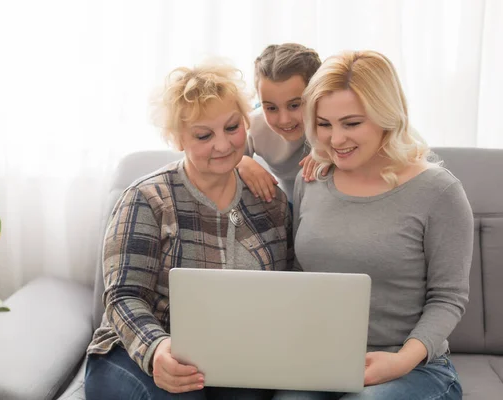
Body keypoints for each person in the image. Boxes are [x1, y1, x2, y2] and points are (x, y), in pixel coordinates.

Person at [84, 62, 293, 400]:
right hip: (134, 352)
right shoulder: (147, 199)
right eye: (203, 135)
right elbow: (123, 297)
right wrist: (158, 350)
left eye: (232, 127)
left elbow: (289, 291)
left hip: (231, 356)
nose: (223, 145)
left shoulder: (270, 201)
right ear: (177, 138)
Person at [274, 50, 474, 400]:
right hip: (323, 362)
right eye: (324, 124)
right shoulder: (311, 180)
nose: (336, 140)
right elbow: (298, 273)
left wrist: (399, 362)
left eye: (351, 124)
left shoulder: (439, 191)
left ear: (386, 117)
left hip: (415, 369)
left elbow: (448, 298)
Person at [237, 43, 325, 203]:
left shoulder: (334, 120)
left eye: (294, 105)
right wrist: (241, 162)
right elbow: (222, 157)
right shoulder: (254, 125)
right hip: (289, 205)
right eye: (271, 108)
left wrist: (331, 151)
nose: (284, 120)